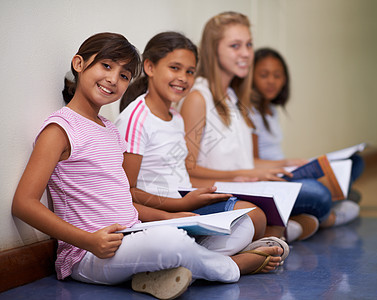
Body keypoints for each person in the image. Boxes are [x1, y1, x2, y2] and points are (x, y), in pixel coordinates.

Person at [12, 32, 287, 300]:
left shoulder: (109, 130)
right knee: (169, 243)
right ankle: (231, 267)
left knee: (241, 226)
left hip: (134, 235)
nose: (113, 79)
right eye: (106, 66)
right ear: (79, 64)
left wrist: (172, 217)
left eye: (123, 75)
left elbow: (123, 200)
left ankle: (176, 271)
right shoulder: (60, 129)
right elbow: (23, 204)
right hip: (90, 254)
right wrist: (87, 240)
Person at [115, 31, 281, 250]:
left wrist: (197, 196)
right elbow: (126, 191)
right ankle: (223, 261)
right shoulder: (136, 118)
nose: (183, 77)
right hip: (155, 214)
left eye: (190, 71)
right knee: (254, 220)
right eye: (175, 68)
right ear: (150, 67)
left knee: (256, 217)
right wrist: (180, 205)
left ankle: (198, 259)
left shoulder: (176, 117)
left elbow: (175, 172)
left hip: (181, 202)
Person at [179, 11, 323, 242]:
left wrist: (284, 164)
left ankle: (277, 231)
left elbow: (243, 161)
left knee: (316, 186)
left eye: (248, 45)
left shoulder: (233, 97)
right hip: (222, 189)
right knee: (318, 194)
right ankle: (278, 230)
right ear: (213, 50)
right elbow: (188, 170)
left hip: (246, 184)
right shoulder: (198, 98)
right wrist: (245, 174)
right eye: (235, 46)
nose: (246, 53)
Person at [250, 47, 361, 229]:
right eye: (264, 75)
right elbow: (251, 162)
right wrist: (287, 163)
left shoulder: (272, 110)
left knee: (355, 162)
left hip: (285, 169)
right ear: (251, 77)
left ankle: (336, 198)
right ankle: (331, 213)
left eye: (277, 76)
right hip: (273, 175)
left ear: (285, 79)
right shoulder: (250, 112)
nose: (271, 81)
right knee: (319, 193)